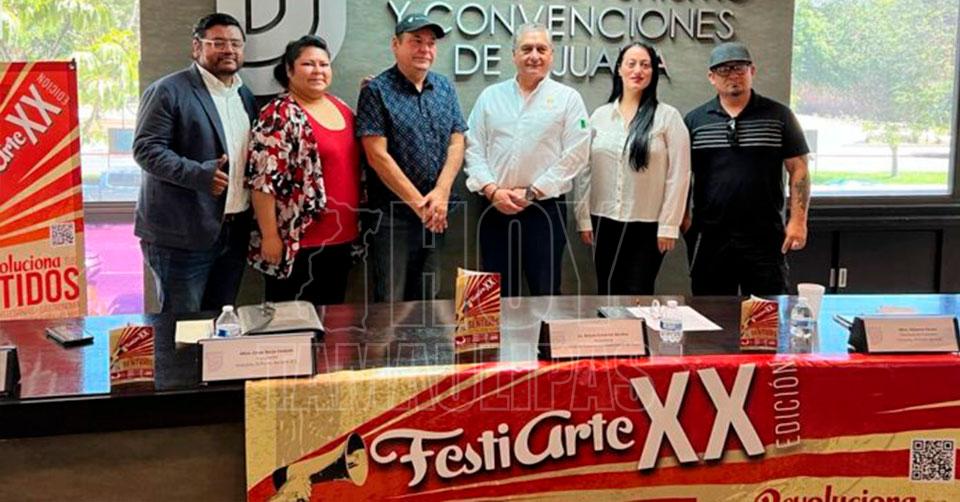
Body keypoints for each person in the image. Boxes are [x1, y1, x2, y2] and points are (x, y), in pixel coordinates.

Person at [133, 13, 257, 314]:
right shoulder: (168, 90)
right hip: (181, 235)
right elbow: (146, 149)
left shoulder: (244, 95)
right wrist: (198, 174)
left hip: (233, 232)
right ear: (196, 47)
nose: (229, 50)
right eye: (218, 43)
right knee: (182, 326)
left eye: (235, 43)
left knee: (221, 322)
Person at [464, 23, 590, 296]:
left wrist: (532, 192)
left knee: (545, 292)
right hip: (494, 208)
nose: (534, 55)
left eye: (541, 49)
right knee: (496, 294)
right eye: (526, 49)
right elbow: (472, 147)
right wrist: (492, 190)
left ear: (551, 55)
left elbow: (577, 153)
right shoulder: (490, 97)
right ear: (514, 55)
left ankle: (543, 330)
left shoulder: (568, 99)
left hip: (544, 211)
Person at [684, 42, 811, 295]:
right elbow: (682, 176)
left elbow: (799, 168)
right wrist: (684, 221)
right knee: (711, 312)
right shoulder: (695, 121)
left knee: (766, 311)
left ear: (752, 71)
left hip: (765, 235)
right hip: (710, 236)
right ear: (711, 77)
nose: (733, 75)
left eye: (739, 68)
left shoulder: (779, 116)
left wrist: (798, 221)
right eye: (724, 70)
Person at [356, 13, 467, 302]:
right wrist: (420, 205)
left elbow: (457, 141)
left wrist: (441, 193)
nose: (425, 49)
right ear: (396, 44)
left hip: (435, 214)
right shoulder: (377, 91)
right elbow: (376, 155)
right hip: (392, 218)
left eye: (431, 43)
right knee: (390, 301)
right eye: (416, 41)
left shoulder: (444, 88)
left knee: (427, 297)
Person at [246, 36, 360, 305]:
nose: (318, 70)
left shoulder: (341, 107)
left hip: (342, 238)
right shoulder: (278, 114)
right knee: (290, 321)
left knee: (332, 319)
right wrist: (270, 235)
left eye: (324, 64)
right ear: (289, 70)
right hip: (297, 241)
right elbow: (262, 181)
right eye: (308, 64)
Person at [574, 43, 690, 295]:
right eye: (631, 64)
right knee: (606, 291)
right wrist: (583, 218)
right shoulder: (600, 116)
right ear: (619, 69)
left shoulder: (668, 117)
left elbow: (679, 175)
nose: (638, 70)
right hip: (603, 220)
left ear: (653, 72)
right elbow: (585, 171)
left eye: (645, 65)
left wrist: (669, 225)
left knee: (638, 293)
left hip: (647, 224)